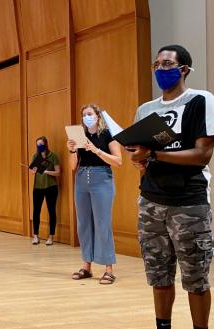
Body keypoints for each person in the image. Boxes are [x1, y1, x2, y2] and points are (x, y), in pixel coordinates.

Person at [129, 44, 214, 329]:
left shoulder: (200, 100)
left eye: (166, 64)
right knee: (159, 276)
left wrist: (154, 155)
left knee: (196, 279)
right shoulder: (146, 110)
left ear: (183, 69)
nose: (160, 70)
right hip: (151, 202)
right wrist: (140, 160)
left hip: (189, 203)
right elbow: (141, 153)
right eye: (156, 65)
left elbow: (202, 154)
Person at [67, 104, 122, 284]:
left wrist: (96, 150)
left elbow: (118, 161)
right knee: (83, 223)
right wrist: (72, 150)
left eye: (89, 114)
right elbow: (73, 166)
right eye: (84, 115)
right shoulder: (79, 135)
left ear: (98, 116)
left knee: (102, 223)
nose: (86, 117)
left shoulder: (107, 134)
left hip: (102, 178)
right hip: (82, 178)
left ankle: (108, 269)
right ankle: (86, 266)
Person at [29, 136, 60, 245]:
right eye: (38, 145)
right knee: (36, 211)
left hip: (51, 187)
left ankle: (51, 237)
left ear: (46, 144)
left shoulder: (53, 156)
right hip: (38, 187)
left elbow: (58, 172)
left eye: (41, 144)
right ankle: (36, 236)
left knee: (52, 211)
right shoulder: (35, 156)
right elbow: (32, 172)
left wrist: (47, 171)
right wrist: (33, 170)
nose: (39, 146)